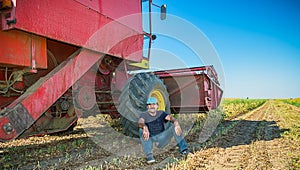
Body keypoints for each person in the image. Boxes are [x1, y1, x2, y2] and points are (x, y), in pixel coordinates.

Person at [138, 97, 189, 164]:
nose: (152, 106)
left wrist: (176, 123)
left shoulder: (161, 113)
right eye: (150, 104)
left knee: (173, 126)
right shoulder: (144, 115)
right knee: (141, 130)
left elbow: (170, 118)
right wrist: (144, 127)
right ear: (147, 106)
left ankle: (184, 150)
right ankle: (149, 155)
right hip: (151, 137)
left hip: (162, 138)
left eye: (154, 104)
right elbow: (140, 122)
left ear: (157, 106)